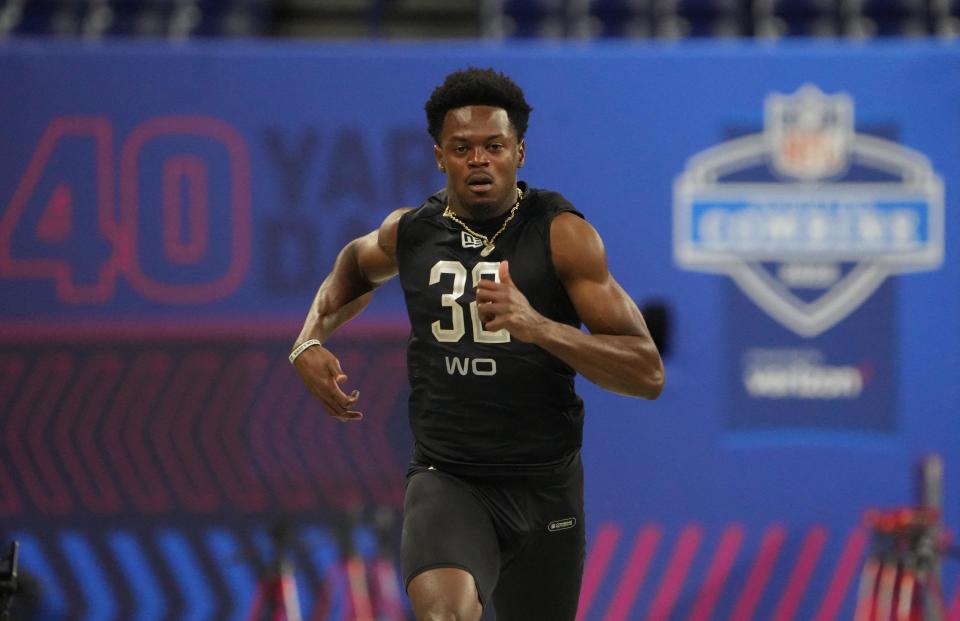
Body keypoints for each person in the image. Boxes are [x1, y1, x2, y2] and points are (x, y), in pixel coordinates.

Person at [291, 67, 664, 621]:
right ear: (440, 156)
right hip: (449, 476)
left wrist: (536, 326)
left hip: (545, 483)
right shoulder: (412, 230)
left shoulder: (562, 236)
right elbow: (354, 265)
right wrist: (309, 339)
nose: (479, 159)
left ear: (520, 151)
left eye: (494, 145)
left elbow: (646, 372)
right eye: (462, 147)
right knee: (446, 615)